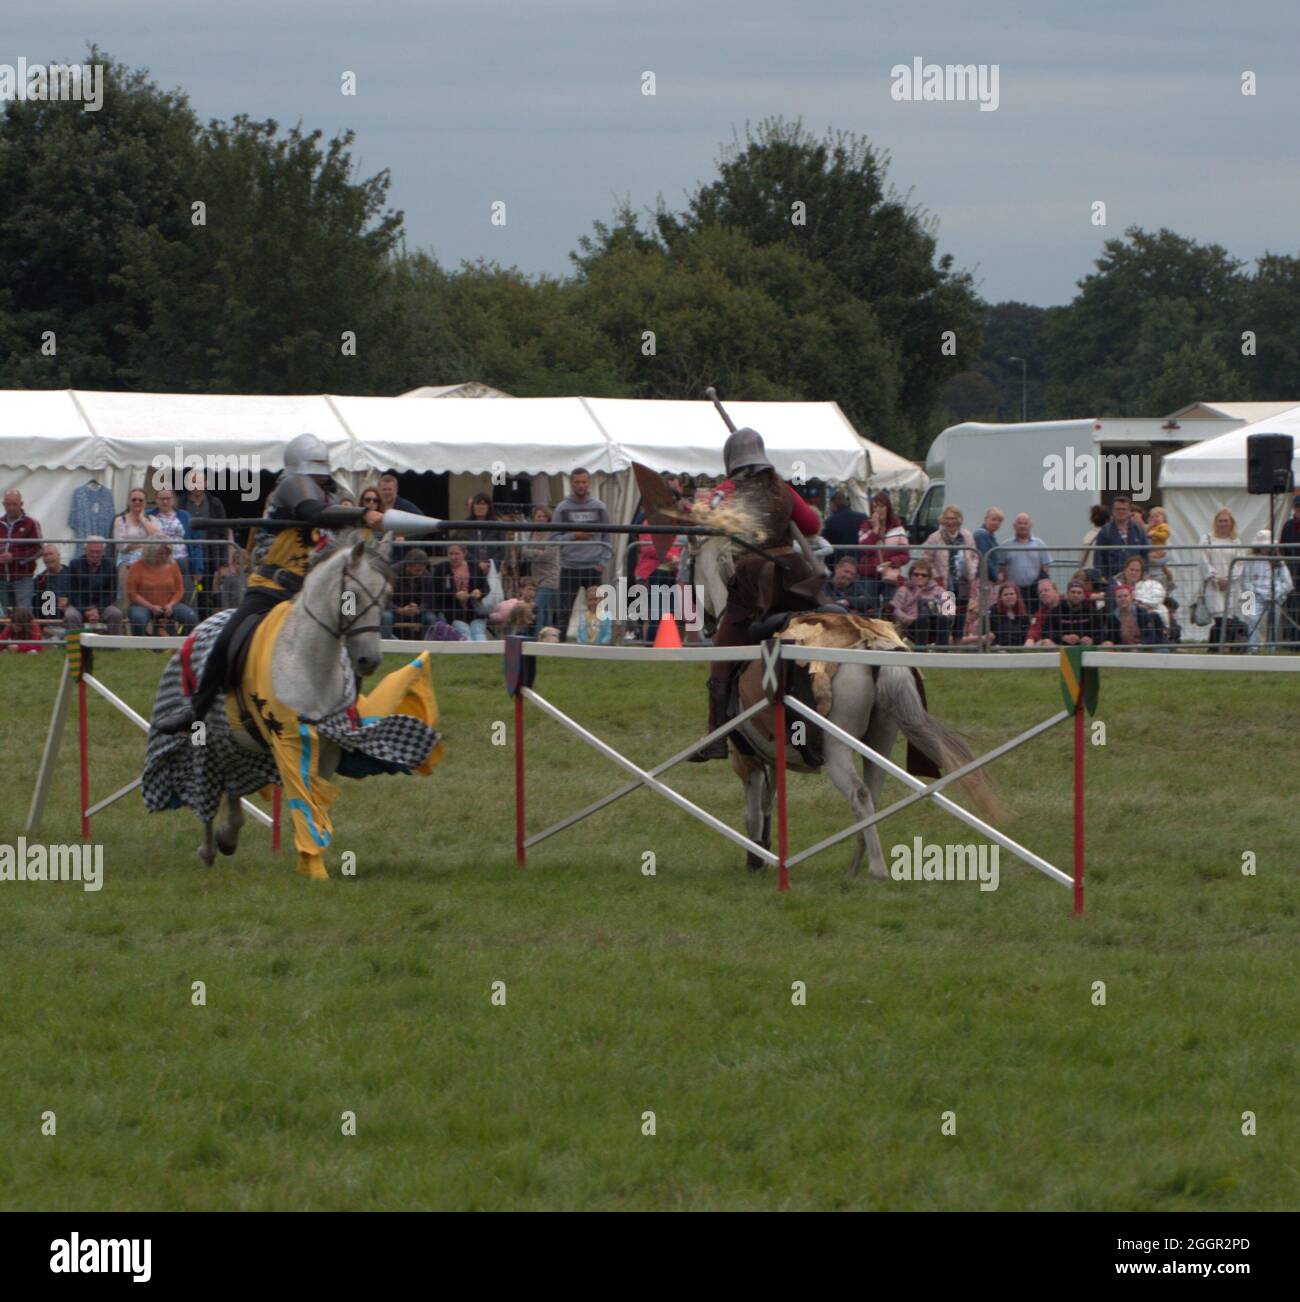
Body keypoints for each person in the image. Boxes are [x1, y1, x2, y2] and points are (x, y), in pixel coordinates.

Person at [154, 433, 384, 734]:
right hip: (274, 588)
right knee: (229, 638)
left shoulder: (331, 499)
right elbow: (311, 512)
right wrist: (364, 514)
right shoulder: (291, 488)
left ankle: (348, 714)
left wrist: (362, 521)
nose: (317, 478)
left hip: (316, 591)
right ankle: (197, 710)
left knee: (353, 623)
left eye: (320, 473)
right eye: (312, 472)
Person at [694, 426, 825, 762]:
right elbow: (811, 525)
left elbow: (706, 518)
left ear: (731, 462)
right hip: (794, 574)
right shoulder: (782, 488)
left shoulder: (727, 489)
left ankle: (716, 735)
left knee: (722, 652)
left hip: (753, 579)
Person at [553, 469, 611, 642]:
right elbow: (553, 538)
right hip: (569, 566)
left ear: (589, 483)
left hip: (593, 566)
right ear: (572, 483)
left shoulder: (600, 507)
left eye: (584, 482)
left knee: (598, 609)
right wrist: (575, 535)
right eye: (577, 482)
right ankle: (558, 644)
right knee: (563, 610)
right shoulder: (562, 508)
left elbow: (608, 536)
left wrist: (603, 561)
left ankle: (600, 641)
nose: (581, 485)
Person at [1198, 507, 1248, 650]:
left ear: (1231, 523)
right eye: (1220, 521)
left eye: (1226, 521)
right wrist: (1215, 578)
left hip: (1230, 585)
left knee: (1228, 618)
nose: (1223, 524)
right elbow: (1203, 560)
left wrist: (1228, 579)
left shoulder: (1236, 541)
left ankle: (1216, 648)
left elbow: (1239, 564)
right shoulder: (1207, 539)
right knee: (1220, 618)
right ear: (1215, 522)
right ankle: (1216, 648)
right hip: (1213, 585)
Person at [184, 471, 232, 617]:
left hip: (209, 557)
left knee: (204, 596)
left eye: (199, 482)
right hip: (187, 558)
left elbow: (223, 533)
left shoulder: (215, 504)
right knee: (187, 596)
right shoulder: (181, 503)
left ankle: (202, 626)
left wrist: (223, 563)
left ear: (205, 483)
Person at [126, 543, 199, 635]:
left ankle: (179, 645)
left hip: (169, 605)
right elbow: (132, 594)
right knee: (138, 619)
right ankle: (142, 647)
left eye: (165, 553)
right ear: (150, 553)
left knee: (191, 618)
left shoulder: (173, 564)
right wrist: (151, 607)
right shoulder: (137, 566)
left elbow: (179, 590)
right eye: (159, 553)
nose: (163, 556)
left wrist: (171, 605)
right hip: (142, 606)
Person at [1240, 529, 1294, 651]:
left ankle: (1271, 649)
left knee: (1273, 623)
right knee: (1251, 619)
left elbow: (1288, 583)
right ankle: (1252, 647)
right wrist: (1257, 592)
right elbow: (1245, 582)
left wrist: (1276, 592)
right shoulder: (1250, 560)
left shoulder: (1279, 561)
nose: (1266, 549)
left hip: (1275, 596)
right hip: (1254, 595)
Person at [856, 493, 909, 611]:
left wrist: (891, 562)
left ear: (888, 508)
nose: (878, 510)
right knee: (869, 608)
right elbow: (865, 549)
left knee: (890, 608)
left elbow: (905, 555)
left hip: (890, 574)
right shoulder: (865, 527)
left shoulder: (898, 529)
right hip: (869, 574)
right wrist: (875, 529)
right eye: (875, 507)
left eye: (881, 506)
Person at [993, 514, 1052, 613]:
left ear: (1030, 525)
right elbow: (1001, 567)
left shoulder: (1039, 544)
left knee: (1036, 614)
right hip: (1015, 590)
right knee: (1018, 615)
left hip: (1034, 588)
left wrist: (1042, 583)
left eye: (1025, 523)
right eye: (1020, 523)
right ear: (1014, 526)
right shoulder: (1006, 545)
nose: (1022, 526)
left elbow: (1046, 565)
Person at [923, 505, 979, 611]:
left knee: (961, 617)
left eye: (953, 519)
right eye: (947, 519)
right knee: (948, 615)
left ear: (958, 520)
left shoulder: (967, 536)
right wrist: (936, 576)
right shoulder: (935, 537)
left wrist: (972, 570)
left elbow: (975, 556)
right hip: (944, 584)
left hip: (964, 584)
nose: (950, 522)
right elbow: (926, 560)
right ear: (943, 520)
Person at [112, 489, 163, 603]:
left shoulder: (153, 520)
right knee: (128, 597)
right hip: (127, 563)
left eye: (140, 500)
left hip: (149, 562)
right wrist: (146, 543)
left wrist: (142, 520)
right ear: (129, 502)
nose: (137, 502)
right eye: (134, 499)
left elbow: (159, 539)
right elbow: (121, 546)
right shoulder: (120, 520)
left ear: (145, 503)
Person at [66, 537, 125, 634]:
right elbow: (72, 592)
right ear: (85, 551)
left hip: (102, 606)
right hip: (79, 605)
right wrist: (86, 610)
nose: (95, 554)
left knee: (116, 614)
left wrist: (97, 609)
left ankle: (112, 647)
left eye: (98, 552)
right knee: (71, 616)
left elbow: (112, 594)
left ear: (103, 551)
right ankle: (75, 648)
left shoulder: (110, 565)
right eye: (91, 551)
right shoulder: (75, 564)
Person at [146, 487, 195, 603]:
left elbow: (195, 541)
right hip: (159, 561)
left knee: (186, 592)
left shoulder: (184, 516)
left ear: (173, 500)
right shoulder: (148, 515)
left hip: (182, 560)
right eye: (161, 499)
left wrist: (198, 568)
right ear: (156, 500)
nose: (165, 502)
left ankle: (187, 619)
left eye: (168, 498)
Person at [889, 558, 953, 646]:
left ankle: (942, 653)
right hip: (913, 623)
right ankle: (921, 651)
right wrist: (907, 619)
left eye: (924, 575)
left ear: (929, 577)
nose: (920, 577)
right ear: (910, 575)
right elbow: (895, 609)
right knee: (922, 619)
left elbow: (949, 610)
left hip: (936, 622)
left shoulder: (939, 590)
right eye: (916, 574)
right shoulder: (904, 590)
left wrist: (944, 614)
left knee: (943, 619)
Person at [433, 543, 488, 641]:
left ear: (464, 554)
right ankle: (469, 654)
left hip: (475, 610)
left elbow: (486, 587)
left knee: (478, 631)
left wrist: (479, 592)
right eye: (450, 554)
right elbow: (436, 590)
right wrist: (454, 595)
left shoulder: (474, 567)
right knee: (464, 630)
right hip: (453, 611)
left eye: (457, 554)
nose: (453, 557)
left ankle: (485, 654)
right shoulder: (441, 568)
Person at [0, 487, 43, 615]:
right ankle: (8, 635)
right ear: (3, 504)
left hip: (23, 578)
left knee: (24, 614)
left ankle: (26, 635)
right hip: (1, 578)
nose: (11, 508)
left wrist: (15, 557)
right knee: (7, 615)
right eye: (8, 504)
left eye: (15, 504)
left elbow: (39, 549)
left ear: (21, 504)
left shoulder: (31, 523)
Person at [522, 504, 559, 637]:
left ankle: (534, 636)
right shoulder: (533, 533)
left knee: (536, 606)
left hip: (550, 578)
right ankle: (548, 637)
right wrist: (537, 552)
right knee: (544, 610)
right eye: (538, 516)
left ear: (548, 518)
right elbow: (524, 551)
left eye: (544, 516)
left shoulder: (552, 535)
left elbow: (549, 555)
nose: (541, 518)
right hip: (536, 578)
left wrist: (534, 554)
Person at [383, 549, 438, 639]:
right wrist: (398, 609)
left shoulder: (426, 575)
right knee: (386, 617)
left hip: (415, 611)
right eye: (417, 570)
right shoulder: (392, 573)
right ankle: (385, 647)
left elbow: (429, 600)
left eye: (422, 569)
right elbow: (384, 598)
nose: (420, 573)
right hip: (395, 610)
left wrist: (418, 609)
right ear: (408, 566)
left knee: (431, 618)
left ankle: (427, 648)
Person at [1092, 494, 1148, 582]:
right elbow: (1098, 557)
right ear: (1113, 511)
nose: (1121, 512)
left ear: (1130, 512)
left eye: (1124, 509)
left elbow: (1145, 554)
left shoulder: (1138, 530)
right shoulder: (1105, 531)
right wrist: (1102, 578)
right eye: (1118, 509)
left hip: (1135, 579)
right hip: (1112, 580)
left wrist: (1145, 573)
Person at [1101, 583, 1165, 647]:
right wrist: (1108, 642)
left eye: (1125, 596)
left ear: (1132, 597)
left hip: (1144, 649)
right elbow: (1111, 638)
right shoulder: (1112, 617)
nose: (1123, 599)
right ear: (1115, 599)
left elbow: (1150, 636)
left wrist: (1141, 646)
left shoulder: (1142, 612)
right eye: (1119, 597)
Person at [821, 490, 868, 565]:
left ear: (833, 504)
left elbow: (824, 540)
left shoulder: (829, 521)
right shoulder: (862, 517)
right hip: (859, 560)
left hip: (837, 561)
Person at [1278, 493, 1300, 645]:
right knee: (1293, 607)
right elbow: (1282, 548)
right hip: (1292, 573)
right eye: (1297, 507)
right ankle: (1293, 641)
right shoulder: (1288, 525)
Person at [1052, 579, 1101, 645]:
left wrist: (1092, 640)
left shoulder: (1092, 612)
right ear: (1067, 594)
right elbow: (1046, 632)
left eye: (1079, 592)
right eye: (1073, 592)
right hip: (1062, 648)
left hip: (1086, 648)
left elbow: (1101, 634)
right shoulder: (1056, 611)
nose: (1076, 595)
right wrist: (1063, 638)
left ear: (1084, 595)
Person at [34, 545, 73, 625]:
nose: (48, 557)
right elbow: (36, 607)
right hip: (48, 623)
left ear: (59, 556)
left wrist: (69, 602)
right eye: (45, 555)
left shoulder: (72, 574)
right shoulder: (39, 580)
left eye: (51, 554)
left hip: (70, 619)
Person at [987, 582, 1030, 648]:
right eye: (1006, 594)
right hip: (998, 650)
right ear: (1000, 597)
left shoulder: (1024, 613)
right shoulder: (993, 611)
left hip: (1019, 650)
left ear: (1017, 595)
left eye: (1012, 594)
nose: (1009, 596)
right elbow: (986, 633)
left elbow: (1028, 634)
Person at [1025, 579, 1064, 646]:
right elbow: (1034, 630)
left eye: (1046, 590)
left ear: (1055, 591)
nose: (1043, 593)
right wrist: (1030, 639)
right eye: (1040, 592)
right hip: (1054, 646)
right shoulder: (1040, 613)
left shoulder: (1067, 603)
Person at [1080, 504, 1109, 570]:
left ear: (1092, 519)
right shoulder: (1109, 536)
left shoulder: (1087, 536)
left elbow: (1081, 559)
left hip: (1088, 572)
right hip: (1104, 573)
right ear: (1107, 520)